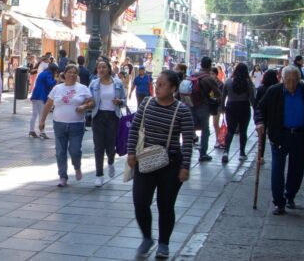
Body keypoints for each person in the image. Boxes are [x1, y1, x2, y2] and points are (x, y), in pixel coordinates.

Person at [127, 70, 195, 259]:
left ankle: (163, 243)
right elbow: (134, 128)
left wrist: (185, 166)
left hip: (171, 163)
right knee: (140, 201)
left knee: (166, 205)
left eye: (162, 85)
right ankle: (147, 237)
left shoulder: (182, 110)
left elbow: (187, 140)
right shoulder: (147, 103)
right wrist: (131, 152)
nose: (157, 88)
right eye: (157, 84)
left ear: (173, 88)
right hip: (146, 160)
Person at [256, 65, 304, 215]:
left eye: (294, 80)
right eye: (288, 80)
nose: (291, 84)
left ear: (299, 79)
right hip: (279, 135)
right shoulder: (274, 91)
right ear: (282, 79)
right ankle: (279, 202)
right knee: (277, 169)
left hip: (301, 136)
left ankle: (290, 195)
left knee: (297, 169)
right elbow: (260, 109)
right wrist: (259, 122)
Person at [39, 64, 93, 187]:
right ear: (65, 74)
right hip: (59, 124)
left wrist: (84, 106)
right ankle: (63, 176)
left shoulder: (82, 88)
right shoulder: (57, 88)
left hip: (76, 125)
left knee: (75, 151)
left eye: (75, 73)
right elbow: (48, 104)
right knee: (60, 152)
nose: (72, 75)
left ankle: (77, 166)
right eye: (70, 72)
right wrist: (42, 120)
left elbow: (92, 102)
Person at [89, 60, 127, 186]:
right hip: (98, 116)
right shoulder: (94, 84)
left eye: (104, 67)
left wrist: (120, 101)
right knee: (98, 147)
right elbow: (88, 98)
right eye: (99, 67)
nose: (101, 69)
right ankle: (99, 175)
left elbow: (124, 100)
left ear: (109, 69)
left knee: (111, 147)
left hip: (113, 117)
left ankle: (110, 162)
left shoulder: (117, 83)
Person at [221, 63, 256, 163]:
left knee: (230, 130)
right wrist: (256, 110)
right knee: (243, 131)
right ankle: (242, 153)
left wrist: (222, 107)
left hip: (231, 106)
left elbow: (223, 96)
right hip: (244, 107)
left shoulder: (228, 81)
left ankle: (226, 152)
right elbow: (252, 98)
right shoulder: (248, 83)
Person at [189, 57, 221, 162]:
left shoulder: (193, 75)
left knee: (190, 128)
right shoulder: (209, 78)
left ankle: (186, 150)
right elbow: (218, 94)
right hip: (203, 106)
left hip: (191, 105)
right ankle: (203, 153)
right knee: (205, 130)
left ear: (201, 64)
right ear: (210, 65)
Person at [29, 63, 58, 139]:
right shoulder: (48, 74)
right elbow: (49, 84)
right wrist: (56, 80)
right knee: (42, 114)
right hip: (42, 95)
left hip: (35, 94)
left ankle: (31, 130)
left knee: (34, 114)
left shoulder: (43, 73)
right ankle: (42, 132)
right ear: (53, 70)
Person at [211, 67, 225, 149]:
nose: (211, 75)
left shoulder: (220, 84)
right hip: (210, 104)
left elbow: (222, 96)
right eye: (210, 73)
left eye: (212, 74)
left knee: (215, 123)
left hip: (217, 105)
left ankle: (218, 140)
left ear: (216, 74)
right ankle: (218, 140)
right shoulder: (209, 82)